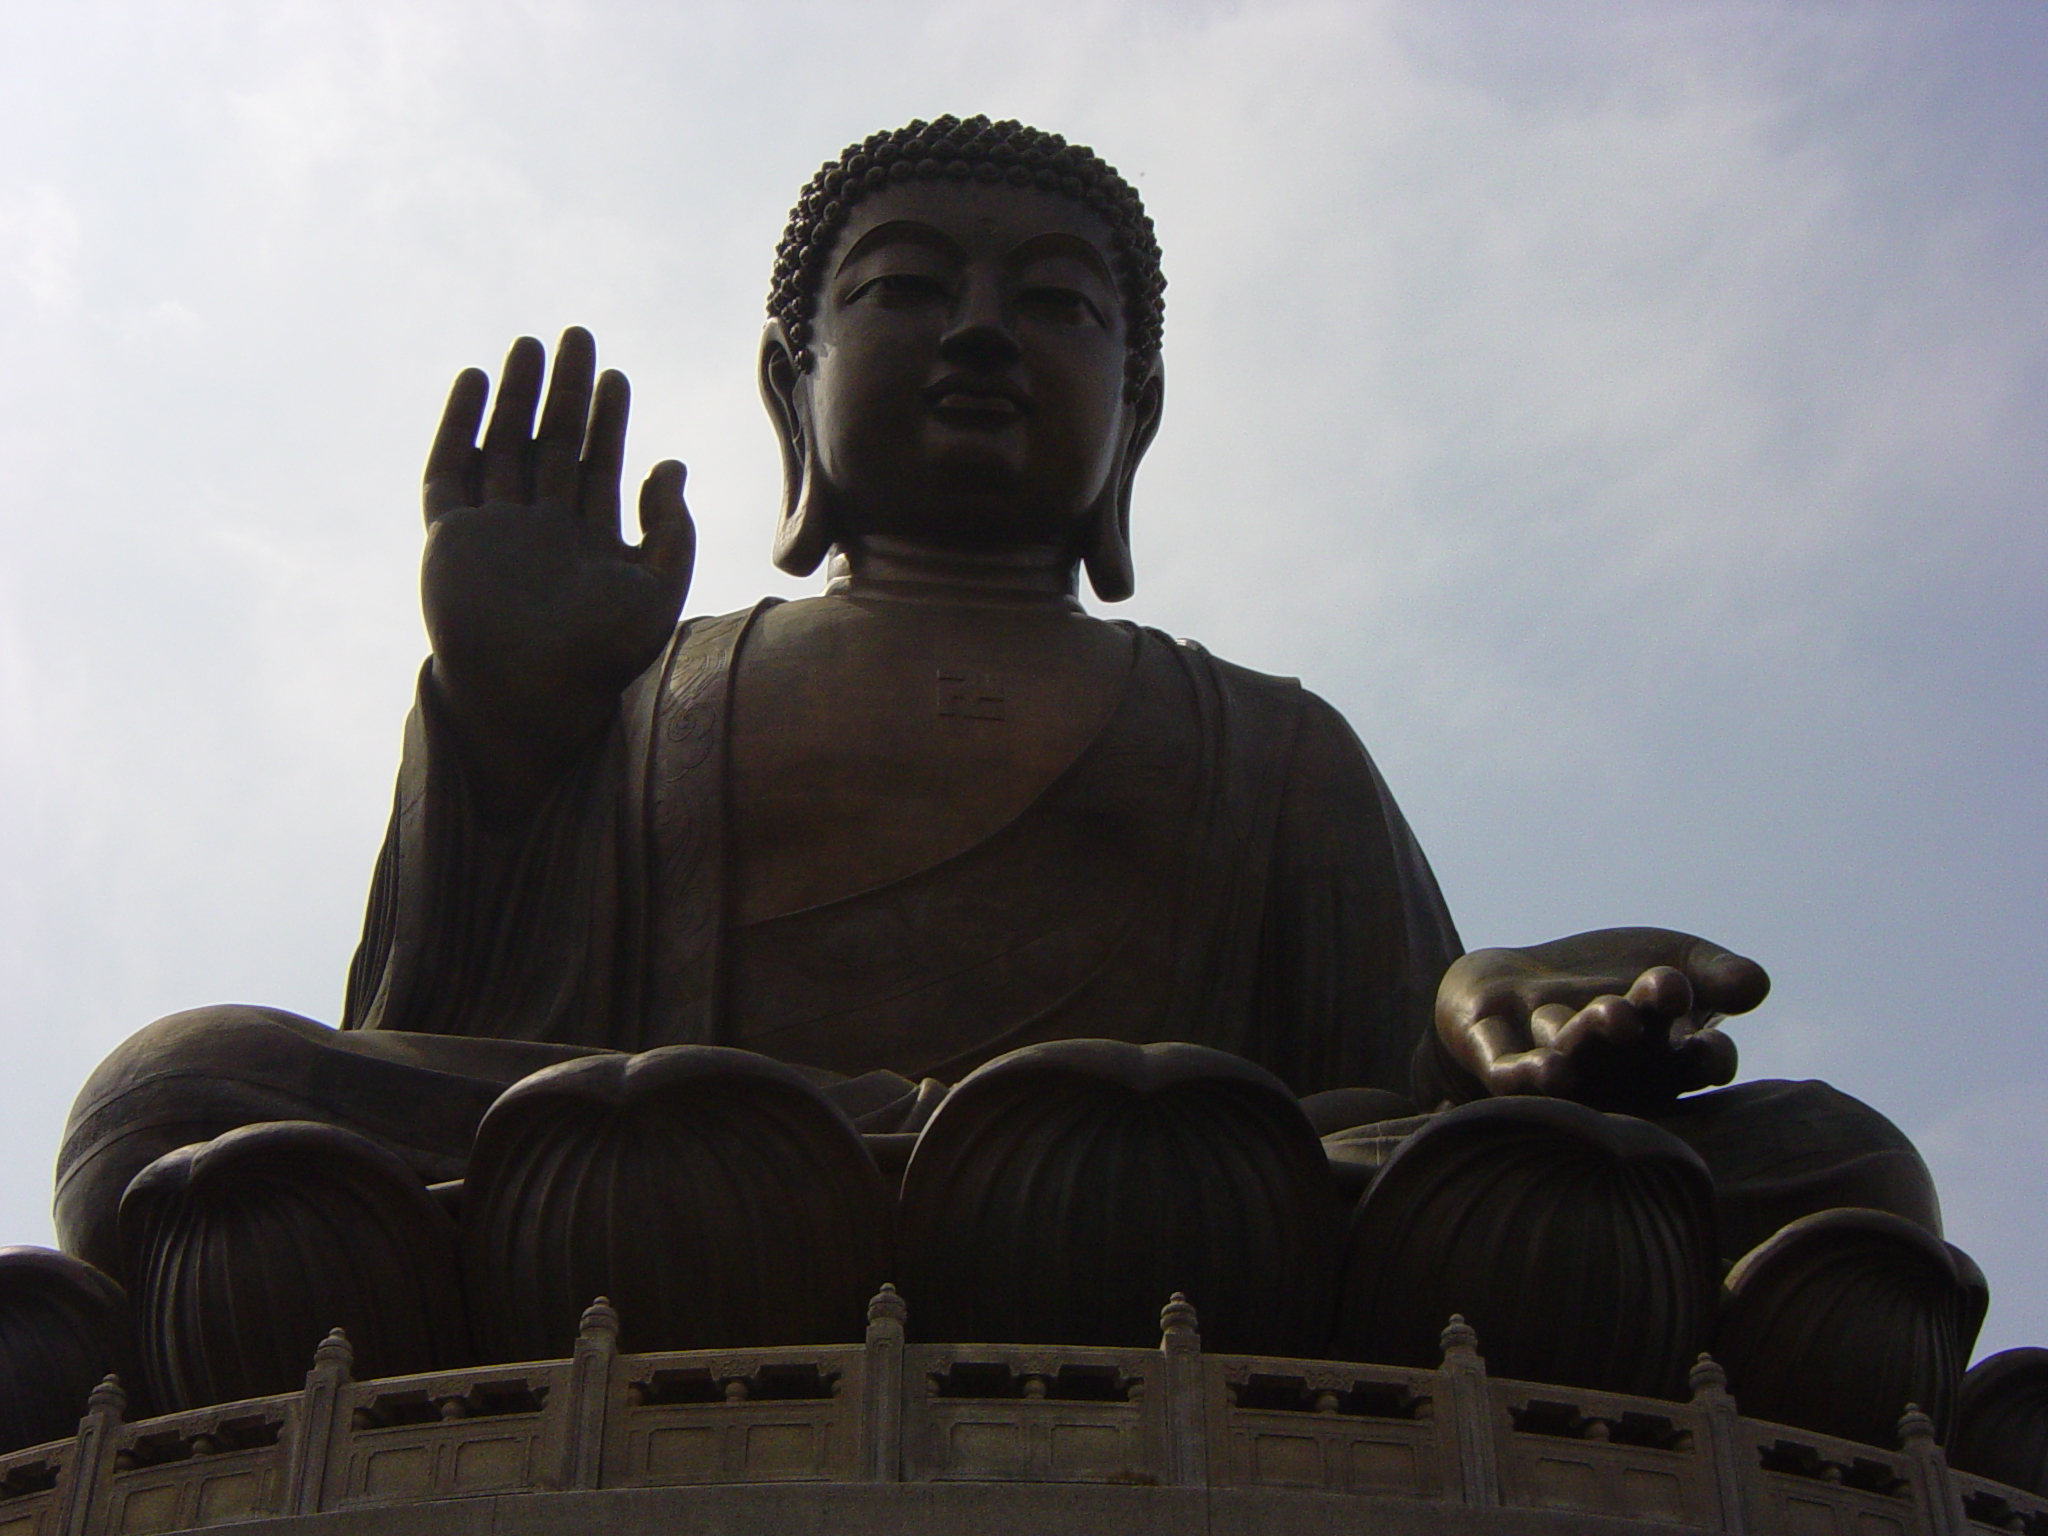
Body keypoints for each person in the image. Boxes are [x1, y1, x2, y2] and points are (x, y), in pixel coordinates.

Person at [48, 118, 1954, 1431]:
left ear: (1136, 413)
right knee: (172, 1098)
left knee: (1839, 1163)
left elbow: (1393, 1069)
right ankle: (906, 1162)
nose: (977, 331)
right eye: (904, 289)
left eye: (1056, 304)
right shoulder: (660, 688)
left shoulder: (1267, 735)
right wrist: (506, 728)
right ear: (792, 392)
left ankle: (920, 1169)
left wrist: (1504, 1033)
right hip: (744, 1181)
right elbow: (461, 1037)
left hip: (1089, 1195)